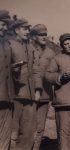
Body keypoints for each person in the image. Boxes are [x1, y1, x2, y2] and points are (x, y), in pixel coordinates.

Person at [9, 18, 41, 150]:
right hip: (14, 94)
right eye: (24, 29)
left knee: (28, 130)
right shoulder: (9, 45)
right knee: (12, 130)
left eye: (28, 29)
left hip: (30, 94)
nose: (28, 31)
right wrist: (13, 68)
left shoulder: (31, 47)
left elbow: (36, 70)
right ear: (17, 30)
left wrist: (38, 89)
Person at [30, 24, 56, 150]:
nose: (43, 37)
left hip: (45, 94)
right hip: (29, 94)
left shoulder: (51, 53)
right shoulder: (28, 49)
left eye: (45, 34)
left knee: (40, 127)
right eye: (40, 35)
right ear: (34, 36)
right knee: (28, 126)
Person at [0, 10, 14, 150]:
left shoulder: (6, 45)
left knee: (5, 134)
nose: (4, 28)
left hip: (6, 96)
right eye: (2, 24)